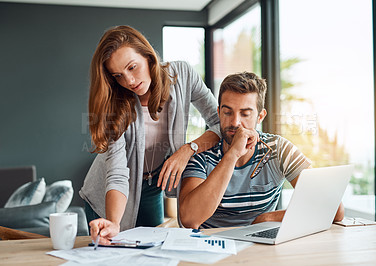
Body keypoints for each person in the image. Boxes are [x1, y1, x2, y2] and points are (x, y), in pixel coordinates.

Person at [79, 25, 220, 244]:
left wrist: (188, 149)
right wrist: (114, 223)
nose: (129, 81)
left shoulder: (182, 75)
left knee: (154, 253)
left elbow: (220, 122)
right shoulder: (116, 104)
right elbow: (117, 173)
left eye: (132, 67)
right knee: (114, 253)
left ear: (148, 56)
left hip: (153, 186)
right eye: (118, 75)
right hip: (111, 193)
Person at [179, 72, 345, 229]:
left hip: (260, 247)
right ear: (219, 113)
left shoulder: (278, 150)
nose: (235, 122)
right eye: (228, 112)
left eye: (245, 114)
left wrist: (267, 218)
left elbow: (334, 209)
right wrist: (233, 155)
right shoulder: (201, 155)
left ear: (260, 117)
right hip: (213, 248)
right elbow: (189, 219)